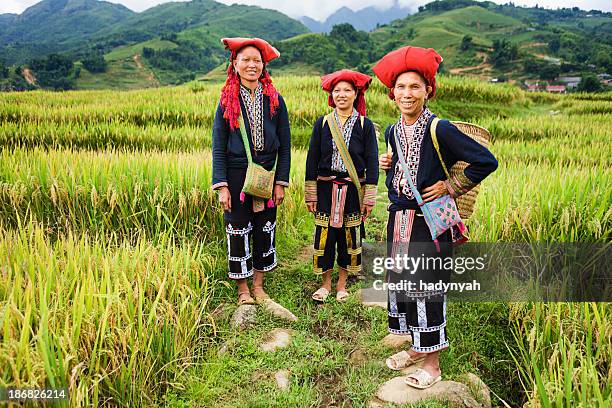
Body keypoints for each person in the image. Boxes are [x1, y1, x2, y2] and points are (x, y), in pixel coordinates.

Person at [373, 46, 498, 389]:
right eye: (401, 87)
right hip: (399, 220)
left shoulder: (439, 128)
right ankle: (416, 347)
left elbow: (485, 161)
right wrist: (389, 168)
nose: (407, 93)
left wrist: (452, 184)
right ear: (392, 93)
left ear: (428, 90)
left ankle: (432, 365)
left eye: (415, 86)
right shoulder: (391, 132)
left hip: (429, 223)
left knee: (427, 289)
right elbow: (399, 180)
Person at [212, 37, 291, 305]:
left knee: (264, 226)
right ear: (234, 64)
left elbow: (286, 145)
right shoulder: (226, 101)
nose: (251, 65)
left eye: (257, 60)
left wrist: (280, 181)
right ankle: (243, 288)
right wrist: (222, 185)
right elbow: (218, 146)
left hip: (267, 174)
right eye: (245, 60)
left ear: (263, 66)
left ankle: (259, 284)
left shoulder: (275, 100)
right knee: (237, 227)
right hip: (236, 175)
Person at [305, 69, 379, 302]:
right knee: (325, 236)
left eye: (347, 90)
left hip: (353, 190)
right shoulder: (323, 123)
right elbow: (312, 159)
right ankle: (325, 284)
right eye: (337, 90)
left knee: (348, 236)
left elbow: (372, 162)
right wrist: (311, 193)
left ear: (356, 93)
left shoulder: (365, 125)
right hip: (326, 188)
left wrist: (369, 197)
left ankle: (342, 284)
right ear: (331, 95)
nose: (342, 95)